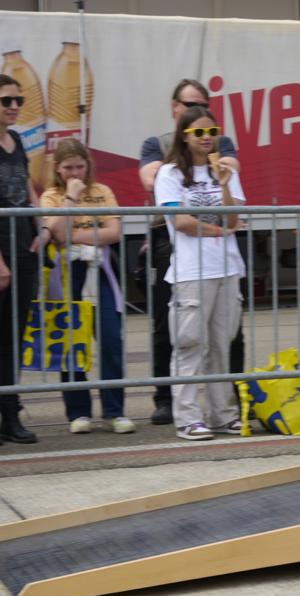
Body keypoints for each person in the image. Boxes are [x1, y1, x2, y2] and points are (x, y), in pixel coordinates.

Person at [138, 78, 243, 426]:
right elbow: (181, 222)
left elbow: (235, 217)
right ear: (185, 136)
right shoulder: (169, 173)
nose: (207, 137)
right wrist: (219, 229)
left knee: (220, 347)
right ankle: (188, 418)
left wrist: (225, 187)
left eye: (211, 131)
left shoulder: (223, 171)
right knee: (189, 346)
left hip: (226, 268)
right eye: (199, 132)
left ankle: (222, 415)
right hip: (190, 273)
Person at [41, 138, 135, 434]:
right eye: (68, 168)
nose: (75, 174)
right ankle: (78, 411)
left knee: (110, 337)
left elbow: (114, 232)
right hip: (68, 272)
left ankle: (114, 410)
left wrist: (77, 238)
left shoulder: (102, 191)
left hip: (101, 269)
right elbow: (56, 233)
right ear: (57, 169)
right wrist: (70, 198)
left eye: (80, 167)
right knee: (72, 340)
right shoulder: (51, 196)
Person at [0, 74, 43, 444]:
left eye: (18, 101)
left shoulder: (16, 141)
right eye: (6, 101)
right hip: (1, 251)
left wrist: (42, 225)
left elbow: (28, 188)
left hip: (23, 248)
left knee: (14, 337)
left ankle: (10, 416)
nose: (14, 107)